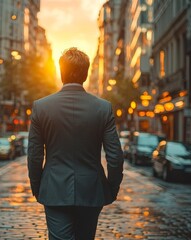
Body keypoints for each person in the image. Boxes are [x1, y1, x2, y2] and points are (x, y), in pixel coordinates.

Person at [27, 47, 124, 239]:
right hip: (92, 189)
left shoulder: (41, 107)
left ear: (61, 72)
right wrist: (111, 189)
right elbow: (115, 157)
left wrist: (38, 188)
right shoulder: (103, 108)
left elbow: (35, 156)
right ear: (86, 74)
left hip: (54, 189)